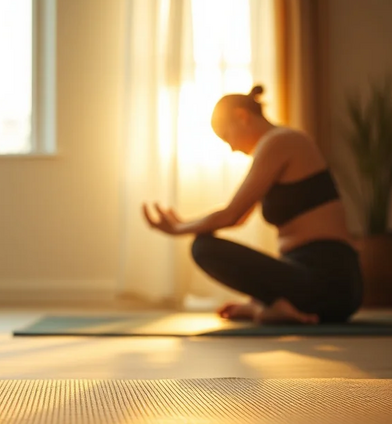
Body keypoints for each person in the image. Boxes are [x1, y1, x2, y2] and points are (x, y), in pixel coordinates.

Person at [142, 85, 363, 324]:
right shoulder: (278, 145)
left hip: (330, 279)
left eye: (227, 137)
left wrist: (178, 228)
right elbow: (238, 218)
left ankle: (268, 306)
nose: (232, 148)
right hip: (311, 279)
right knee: (205, 246)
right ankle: (269, 305)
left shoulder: (281, 141)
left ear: (242, 117)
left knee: (203, 248)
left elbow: (231, 215)